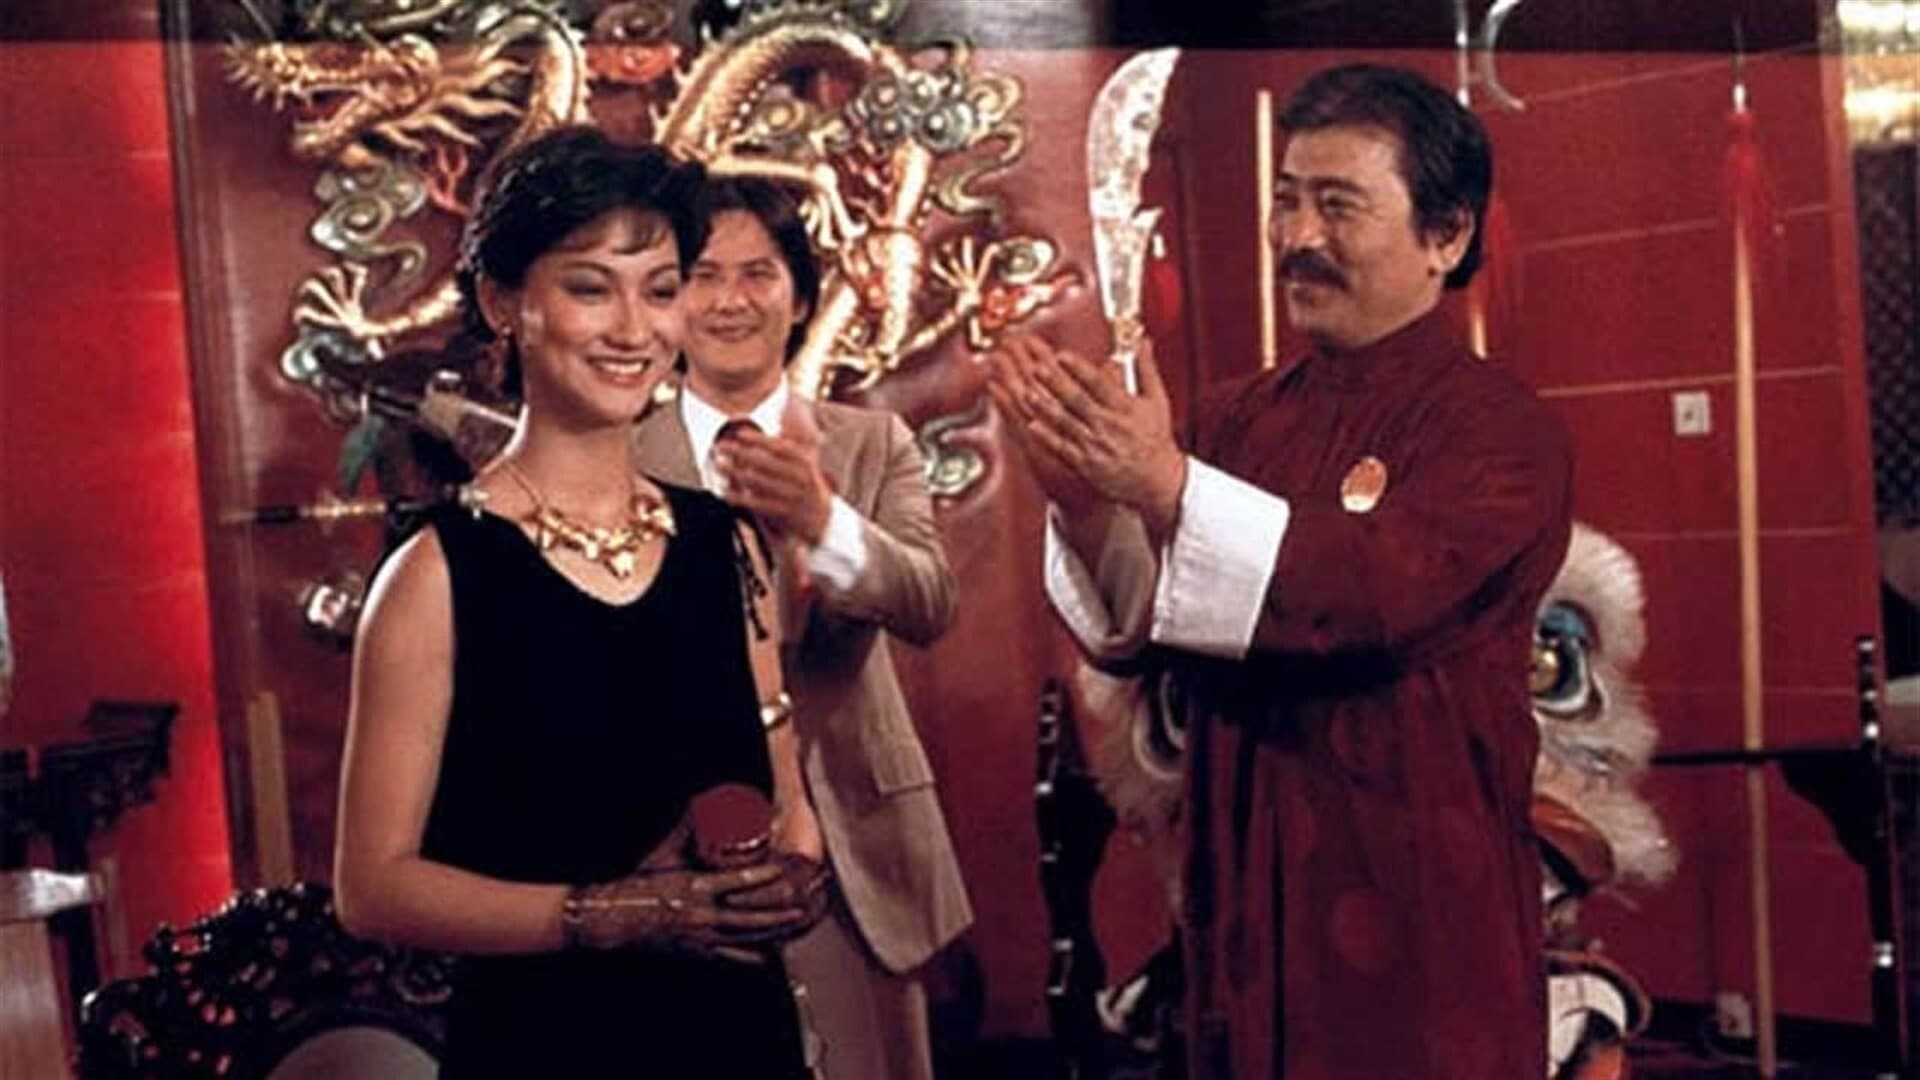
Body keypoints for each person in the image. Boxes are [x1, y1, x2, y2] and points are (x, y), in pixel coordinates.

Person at [990, 63, 1573, 1078]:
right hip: (1243, 891)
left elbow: (1371, 592)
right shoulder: (1241, 415)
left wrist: (1164, 485)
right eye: (1287, 200)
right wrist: (1087, 502)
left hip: (1416, 895)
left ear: (1447, 235)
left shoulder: (1498, 430)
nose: (1298, 235)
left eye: (1338, 206)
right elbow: (1144, 631)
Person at [333, 126, 827, 1078]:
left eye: (662, 290)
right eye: (592, 288)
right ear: (503, 302)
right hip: (546, 1044)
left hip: (740, 1041)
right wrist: (613, 915)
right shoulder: (436, 573)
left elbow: (787, 800)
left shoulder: (725, 543)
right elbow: (373, 888)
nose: (635, 331)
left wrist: (797, 875)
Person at [632, 176, 971, 1080]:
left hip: (859, 832)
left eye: (759, 274)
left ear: (802, 297)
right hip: (680, 848)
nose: (730, 301)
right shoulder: (620, 457)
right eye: (702, 276)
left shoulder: (872, 444)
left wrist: (824, 521)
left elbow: (930, 602)